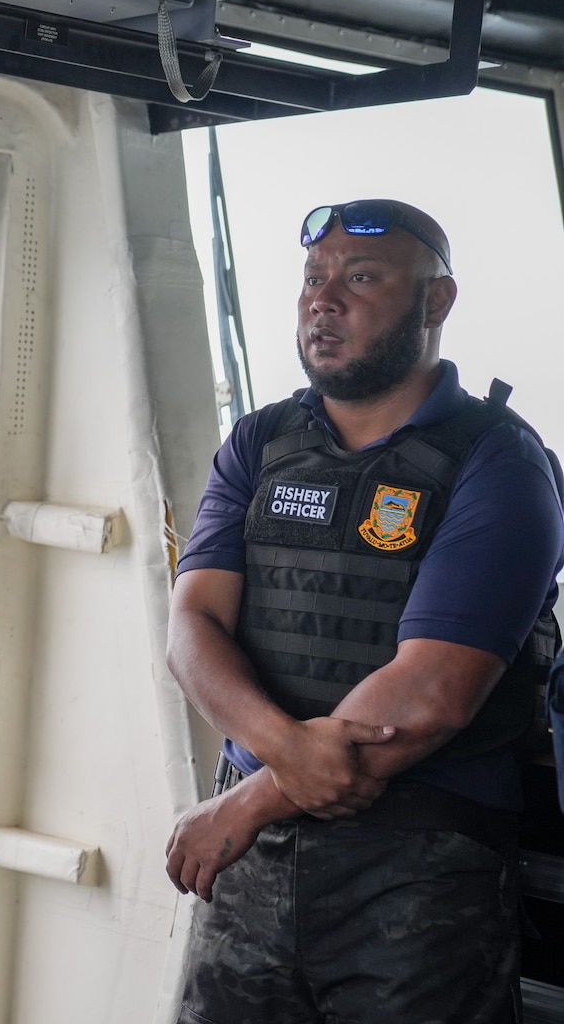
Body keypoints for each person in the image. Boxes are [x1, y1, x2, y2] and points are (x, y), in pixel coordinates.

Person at [163, 198, 563, 1023]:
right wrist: (283, 757)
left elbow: (431, 692)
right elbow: (190, 628)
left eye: (361, 278)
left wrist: (245, 803)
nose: (323, 299)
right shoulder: (258, 445)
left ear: (436, 301)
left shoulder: (499, 461)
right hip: (247, 869)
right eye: (313, 278)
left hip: (421, 871)